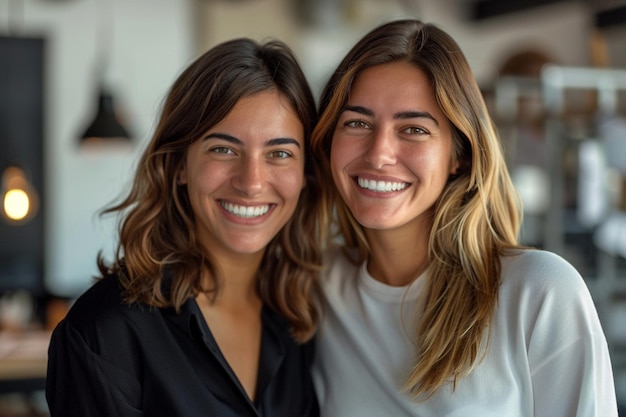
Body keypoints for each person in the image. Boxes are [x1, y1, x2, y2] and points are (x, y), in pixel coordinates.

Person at [310, 19, 618, 416]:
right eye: (357, 123)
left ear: (459, 155)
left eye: (413, 129)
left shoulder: (539, 293)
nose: (379, 153)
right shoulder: (320, 288)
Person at [46, 37, 323, 417]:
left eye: (279, 154)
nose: (252, 181)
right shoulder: (106, 332)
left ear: (305, 173)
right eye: (223, 149)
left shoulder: (304, 316)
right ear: (178, 165)